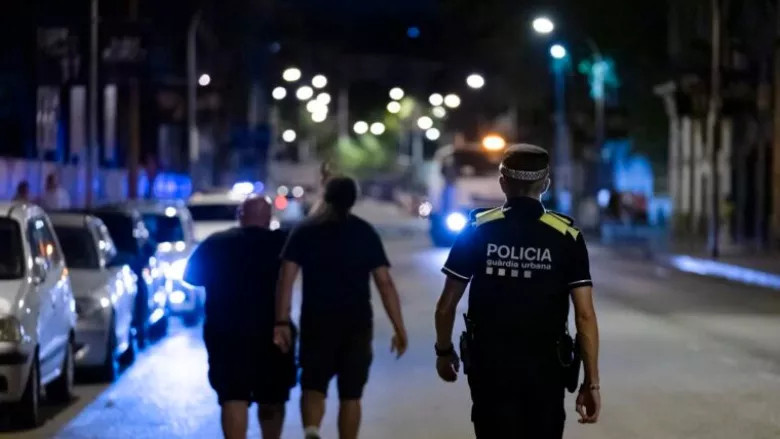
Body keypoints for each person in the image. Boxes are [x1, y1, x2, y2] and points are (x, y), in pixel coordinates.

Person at [434, 144, 601, 438]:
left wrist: (444, 352)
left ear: (503, 183)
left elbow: (446, 304)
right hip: (546, 369)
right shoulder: (566, 237)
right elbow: (584, 316)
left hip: (490, 367)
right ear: (546, 184)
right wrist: (591, 383)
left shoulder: (477, 230)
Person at [273, 176, 408, 439]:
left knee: (313, 386)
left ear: (326, 197)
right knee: (351, 395)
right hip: (356, 324)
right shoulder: (364, 232)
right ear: (353, 200)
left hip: (317, 322)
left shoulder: (305, 231)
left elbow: (286, 278)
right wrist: (398, 327)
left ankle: (311, 431)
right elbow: (385, 283)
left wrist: (281, 321)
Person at [183, 195, 296, 439]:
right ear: (269, 218)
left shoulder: (217, 243)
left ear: (240, 216)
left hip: (227, 333)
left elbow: (191, 277)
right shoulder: (283, 242)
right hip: (273, 332)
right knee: (272, 398)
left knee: (233, 396)